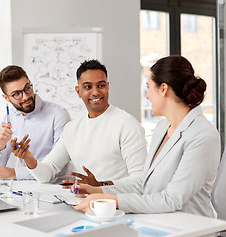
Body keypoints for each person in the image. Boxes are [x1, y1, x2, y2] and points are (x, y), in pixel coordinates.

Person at [73, 55, 221, 218]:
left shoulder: (202, 135)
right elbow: (144, 185)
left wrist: (110, 200)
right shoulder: (162, 128)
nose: (147, 96)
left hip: (190, 229)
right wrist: (98, 190)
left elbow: (171, 200)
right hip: (157, 222)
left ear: (163, 89)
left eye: (149, 87)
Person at [12, 59, 147, 186]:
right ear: (78, 91)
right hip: (82, 204)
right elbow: (46, 173)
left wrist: (101, 186)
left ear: (107, 87)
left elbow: (141, 179)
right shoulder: (72, 129)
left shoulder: (127, 124)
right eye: (88, 87)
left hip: (116, 205)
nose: (95, 92)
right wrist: (28, 158)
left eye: (101, 85)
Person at [0, 65, 72, 181]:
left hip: (57, 187)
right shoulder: (9, 118)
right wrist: (0, 146)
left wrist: (13, 173)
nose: (26, 97)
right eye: (17, 94)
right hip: (26, 189)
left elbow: (60, 167)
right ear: (6, 98)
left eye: (27, 88)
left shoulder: (58, 114)